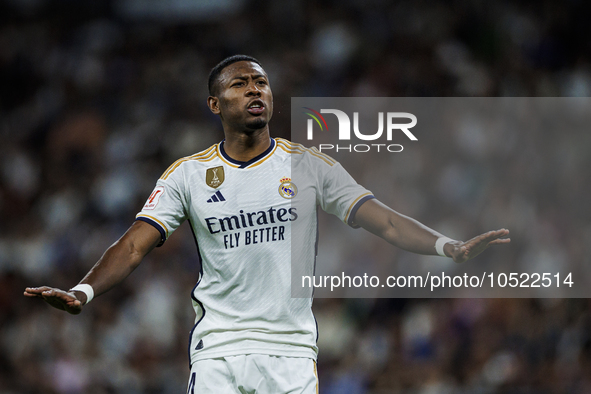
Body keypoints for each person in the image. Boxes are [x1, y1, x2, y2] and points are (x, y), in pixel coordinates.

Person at [25, 55, 510, 393]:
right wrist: (84, 292)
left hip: (291, 352)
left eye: (261, 82)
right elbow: (134, 245)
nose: (255, 89)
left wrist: (450, 247)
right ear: (215, 105)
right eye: (240, 84)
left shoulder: (311, 166)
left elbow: (382, 220)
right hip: (219, 350)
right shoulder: (188, 174)